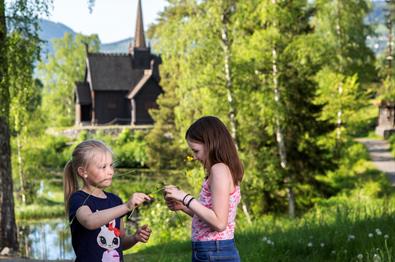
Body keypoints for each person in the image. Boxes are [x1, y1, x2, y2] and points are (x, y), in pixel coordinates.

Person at [164, 116, 243, 262]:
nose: (194, 157)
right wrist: (183, 206)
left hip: (214, 251)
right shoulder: (220, 170)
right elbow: (210, 217)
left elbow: (219, 223)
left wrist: (185, 198)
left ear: (210, 144)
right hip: (211, 250)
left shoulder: (219, 170)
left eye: (196, 151)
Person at [63, 139, 152, 262]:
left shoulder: (115, 200)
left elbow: (119, 242)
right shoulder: (79, 199)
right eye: (103, 167)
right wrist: (126, 207)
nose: (110, 172)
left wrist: (134, 238)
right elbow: (89, 221)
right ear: (83, 172)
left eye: (111, 165)